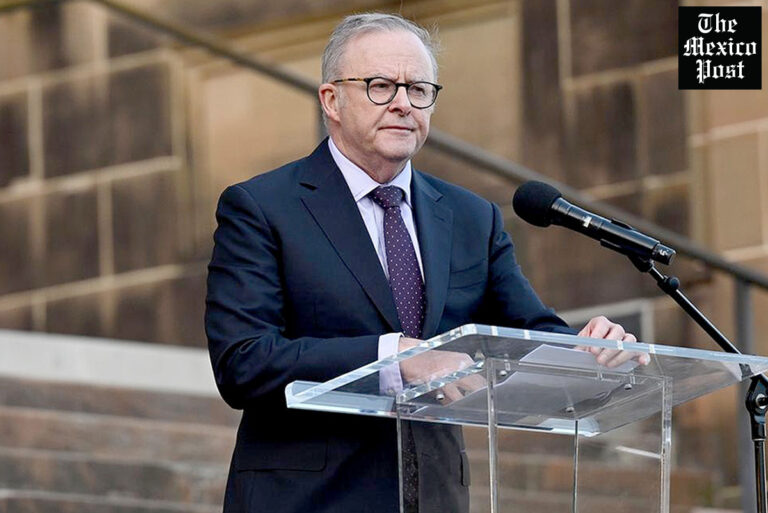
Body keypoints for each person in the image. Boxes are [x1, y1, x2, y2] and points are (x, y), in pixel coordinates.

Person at [205, 12, 647, 513]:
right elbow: (243, 362)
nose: (402, 103)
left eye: (418, 89)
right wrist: (395, 358)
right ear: (331, 100)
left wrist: (590, 351)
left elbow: (528, 332)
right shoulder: (263, 207)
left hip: (434, 495)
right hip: (309, 497)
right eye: (380, 86)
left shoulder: (471, 216)